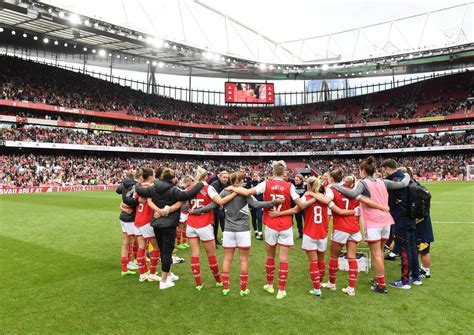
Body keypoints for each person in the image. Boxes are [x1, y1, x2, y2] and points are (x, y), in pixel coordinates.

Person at [227, 160, 323, 300]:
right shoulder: (289, 186)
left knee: (270, 256)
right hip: (286, 225)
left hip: (270, 223)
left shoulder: (266, 183)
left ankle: (270, 285)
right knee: (283, 258)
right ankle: (282, 290)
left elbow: (247, 192)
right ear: (284, 172)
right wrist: (314, 198)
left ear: (272, 171)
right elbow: (301, 205)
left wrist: (233, 188)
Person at [190, 172, 282, 296]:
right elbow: (256, 204)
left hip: (228, 230)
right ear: (241, 180)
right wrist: (274, 202)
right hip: (243, 230)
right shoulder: (244, 192)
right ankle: (243, 289)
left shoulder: (224, 192)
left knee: (227, 259)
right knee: (243, 259)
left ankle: (226, 288)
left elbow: (213, 205)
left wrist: (197, 211)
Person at [332, 156, 410, 293]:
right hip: (386, 221)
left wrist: (335, 186)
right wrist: (408, 175)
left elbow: (352, 194)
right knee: (379, 252)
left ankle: (381, 285)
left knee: (376, 254)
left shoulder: (363, 183)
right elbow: (402, 184)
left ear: (363, 170)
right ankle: (378, 279)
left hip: (374, 222)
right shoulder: (382, 181)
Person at [270, 176, 356, 297]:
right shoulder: (326, 198)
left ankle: (317, 288)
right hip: (322, 234)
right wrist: (353, 212)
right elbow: (336, 210)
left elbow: (295, 210)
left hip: (310, 233)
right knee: (321, 261)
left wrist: (278, 213)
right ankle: (319, 283)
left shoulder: (306, 196)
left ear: (309, 186)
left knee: (313, 262)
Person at [135, 168, 204, 290]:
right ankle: (164, 281)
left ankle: (167, 275)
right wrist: (201, 183)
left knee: (163, 251)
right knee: (167, 252)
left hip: (156, 224)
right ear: (172, 178)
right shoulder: (173, 190)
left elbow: (139, 190)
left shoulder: (153, 188)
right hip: (169, 224)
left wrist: (137, 181)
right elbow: (188, 194)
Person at [186, 167, 236, 291]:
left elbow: (183, 204)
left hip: (191, 224)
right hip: (204, 224)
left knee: (194, 254)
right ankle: (218, 281)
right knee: (211, 255)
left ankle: (198, 284)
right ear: (206, 177)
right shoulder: (208, 188)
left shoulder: (189, 188)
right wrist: (236, 192)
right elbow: (220, 201)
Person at [380, 159, 422, 289]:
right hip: (410, 217)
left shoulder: (395, 180)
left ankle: (404, 281)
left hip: (401, 218)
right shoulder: (406, 177)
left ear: (387, 168)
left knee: (404, 249)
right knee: (411, 248)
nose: (383, 173)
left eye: (383, 170)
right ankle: (416, 277)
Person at [121, 168, 161, 282]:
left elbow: (129, 200)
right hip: (147, 220)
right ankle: (152, 274)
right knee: (156, 247)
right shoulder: (151, 188)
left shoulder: (137, 188)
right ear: (150, 176)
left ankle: (142, 274)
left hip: (137, 220)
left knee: (141, 248)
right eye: (153, 174)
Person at [406, 167, 434, 279]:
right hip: (421, 226)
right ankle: (420, 269)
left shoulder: (415, 190)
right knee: (417, 250)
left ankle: (426, 271)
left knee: (423, 251)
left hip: (421, 227)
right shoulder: (418, 187)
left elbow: (422, 213)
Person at [116, 170, 140, 276]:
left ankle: (125, 268)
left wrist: (123, 206)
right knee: (137, 242)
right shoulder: (135, 185)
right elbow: (129, 200)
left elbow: (118, 190)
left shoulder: (125, 184)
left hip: (123, 217)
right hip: (130, 217)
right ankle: (134, 262)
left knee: (126, 242)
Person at [210, 170, 230, 246]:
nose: (225, 179)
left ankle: (223, 238)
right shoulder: (214, 184)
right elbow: (213, 196)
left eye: (227, 178)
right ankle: (214, 240)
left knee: (222, 221)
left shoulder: (226, 184)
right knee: (215, 223)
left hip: (222, 206)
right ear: (219, 177)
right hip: (214, 206)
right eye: (224, 177)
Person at [247, 171, 264, 240]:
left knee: (259, 217)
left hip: (260, 203)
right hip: (252, 204)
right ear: (251, 177)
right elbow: (247, 193)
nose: (255, 177)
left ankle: (260, 233)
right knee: (253, 217)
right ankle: (256, 231)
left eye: (256, 176)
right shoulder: (249, 183)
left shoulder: (261, 184)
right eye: (254, 176)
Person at [293, 174, 306, 239]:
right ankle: (301, 234)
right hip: (297, 206)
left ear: (301, 180)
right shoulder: (293, 187)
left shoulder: (305, 186)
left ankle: (307, 233)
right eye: (295, 180)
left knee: (306, 220)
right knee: (298, 221)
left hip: (305, 206)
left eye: (297, 180)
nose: (295, 181)